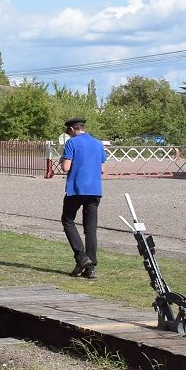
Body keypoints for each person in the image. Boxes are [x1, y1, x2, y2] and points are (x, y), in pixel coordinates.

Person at [60, 117, 107, 279]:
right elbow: (102, 168)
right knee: (90, 229)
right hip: (95, 190)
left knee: (67, 220)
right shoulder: (98, 143)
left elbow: (66, 167)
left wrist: (63, 161)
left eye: (69, 131)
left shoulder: (72, 143)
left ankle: (81, 257)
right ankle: (90, 268)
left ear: (73, 129)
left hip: (77, 188)